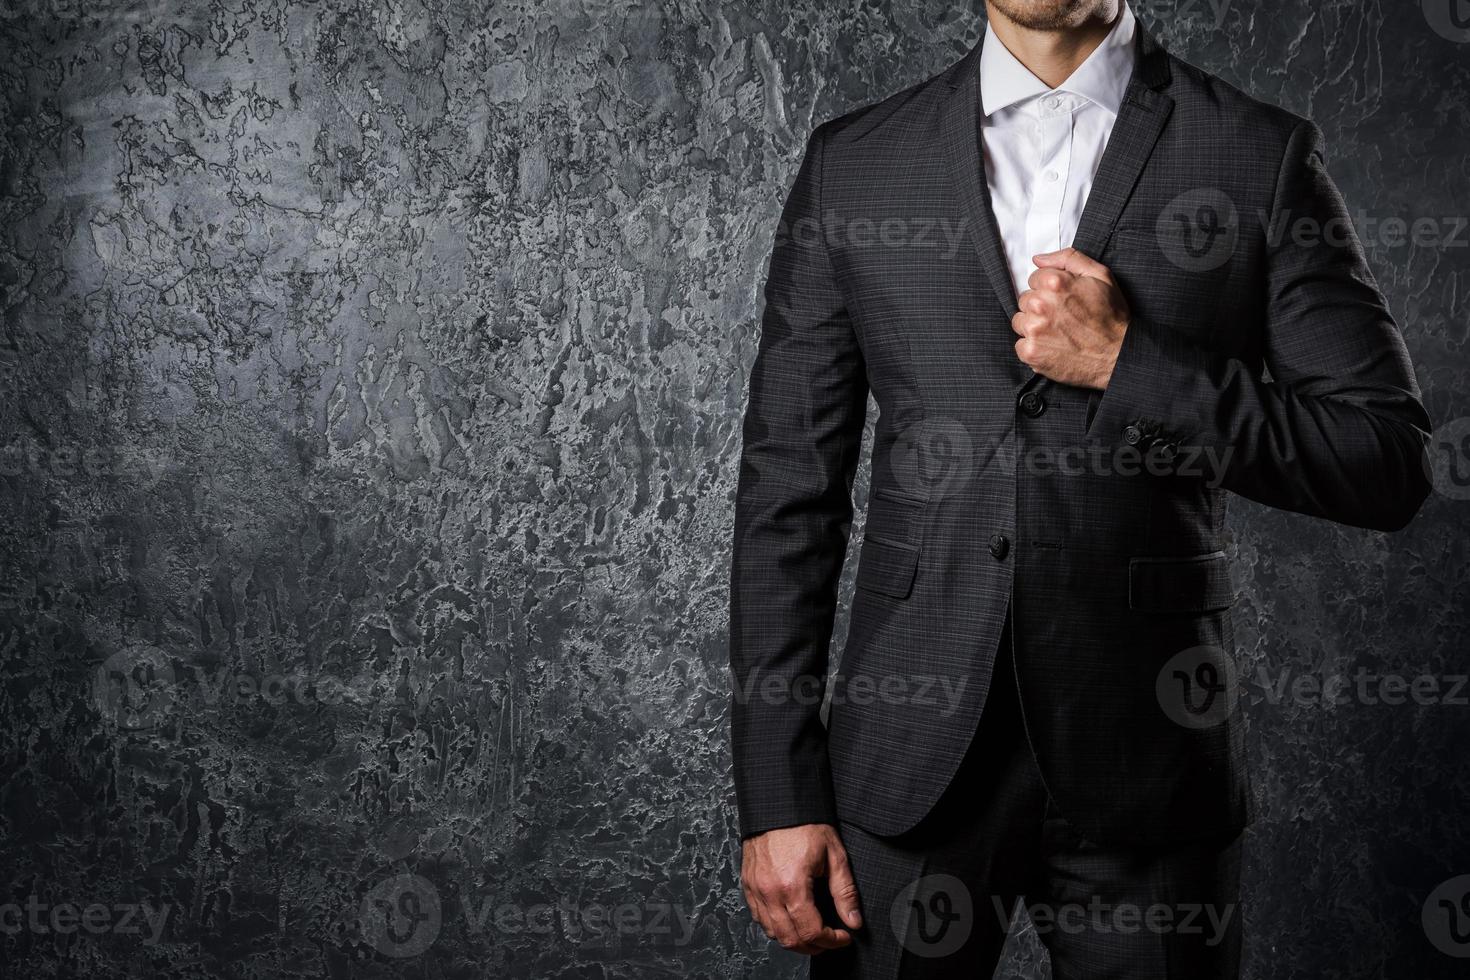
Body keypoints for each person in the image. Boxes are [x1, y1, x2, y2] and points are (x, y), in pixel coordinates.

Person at [728, 1, 1432, 976]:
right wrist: (779, 790)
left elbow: (1386, 459)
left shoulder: (1256, 155)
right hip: (904, 770)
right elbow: (785, 494)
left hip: (1151, 774)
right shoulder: (856, 162)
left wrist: (1128, 363)